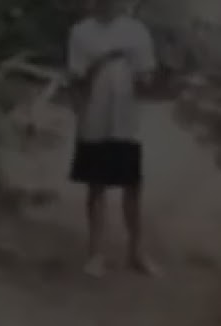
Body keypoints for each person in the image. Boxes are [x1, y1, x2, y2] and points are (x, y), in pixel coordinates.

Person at [66, 0, 158, 278]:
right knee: (96, 187)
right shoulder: (81, 33)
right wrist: (102, 62)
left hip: (127, 121)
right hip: (94, 119)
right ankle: (96, 254)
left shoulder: (136, 31)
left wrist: (142, 76)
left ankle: (137, 252)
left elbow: (148, 76)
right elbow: (76, 78)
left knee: (133, 186)